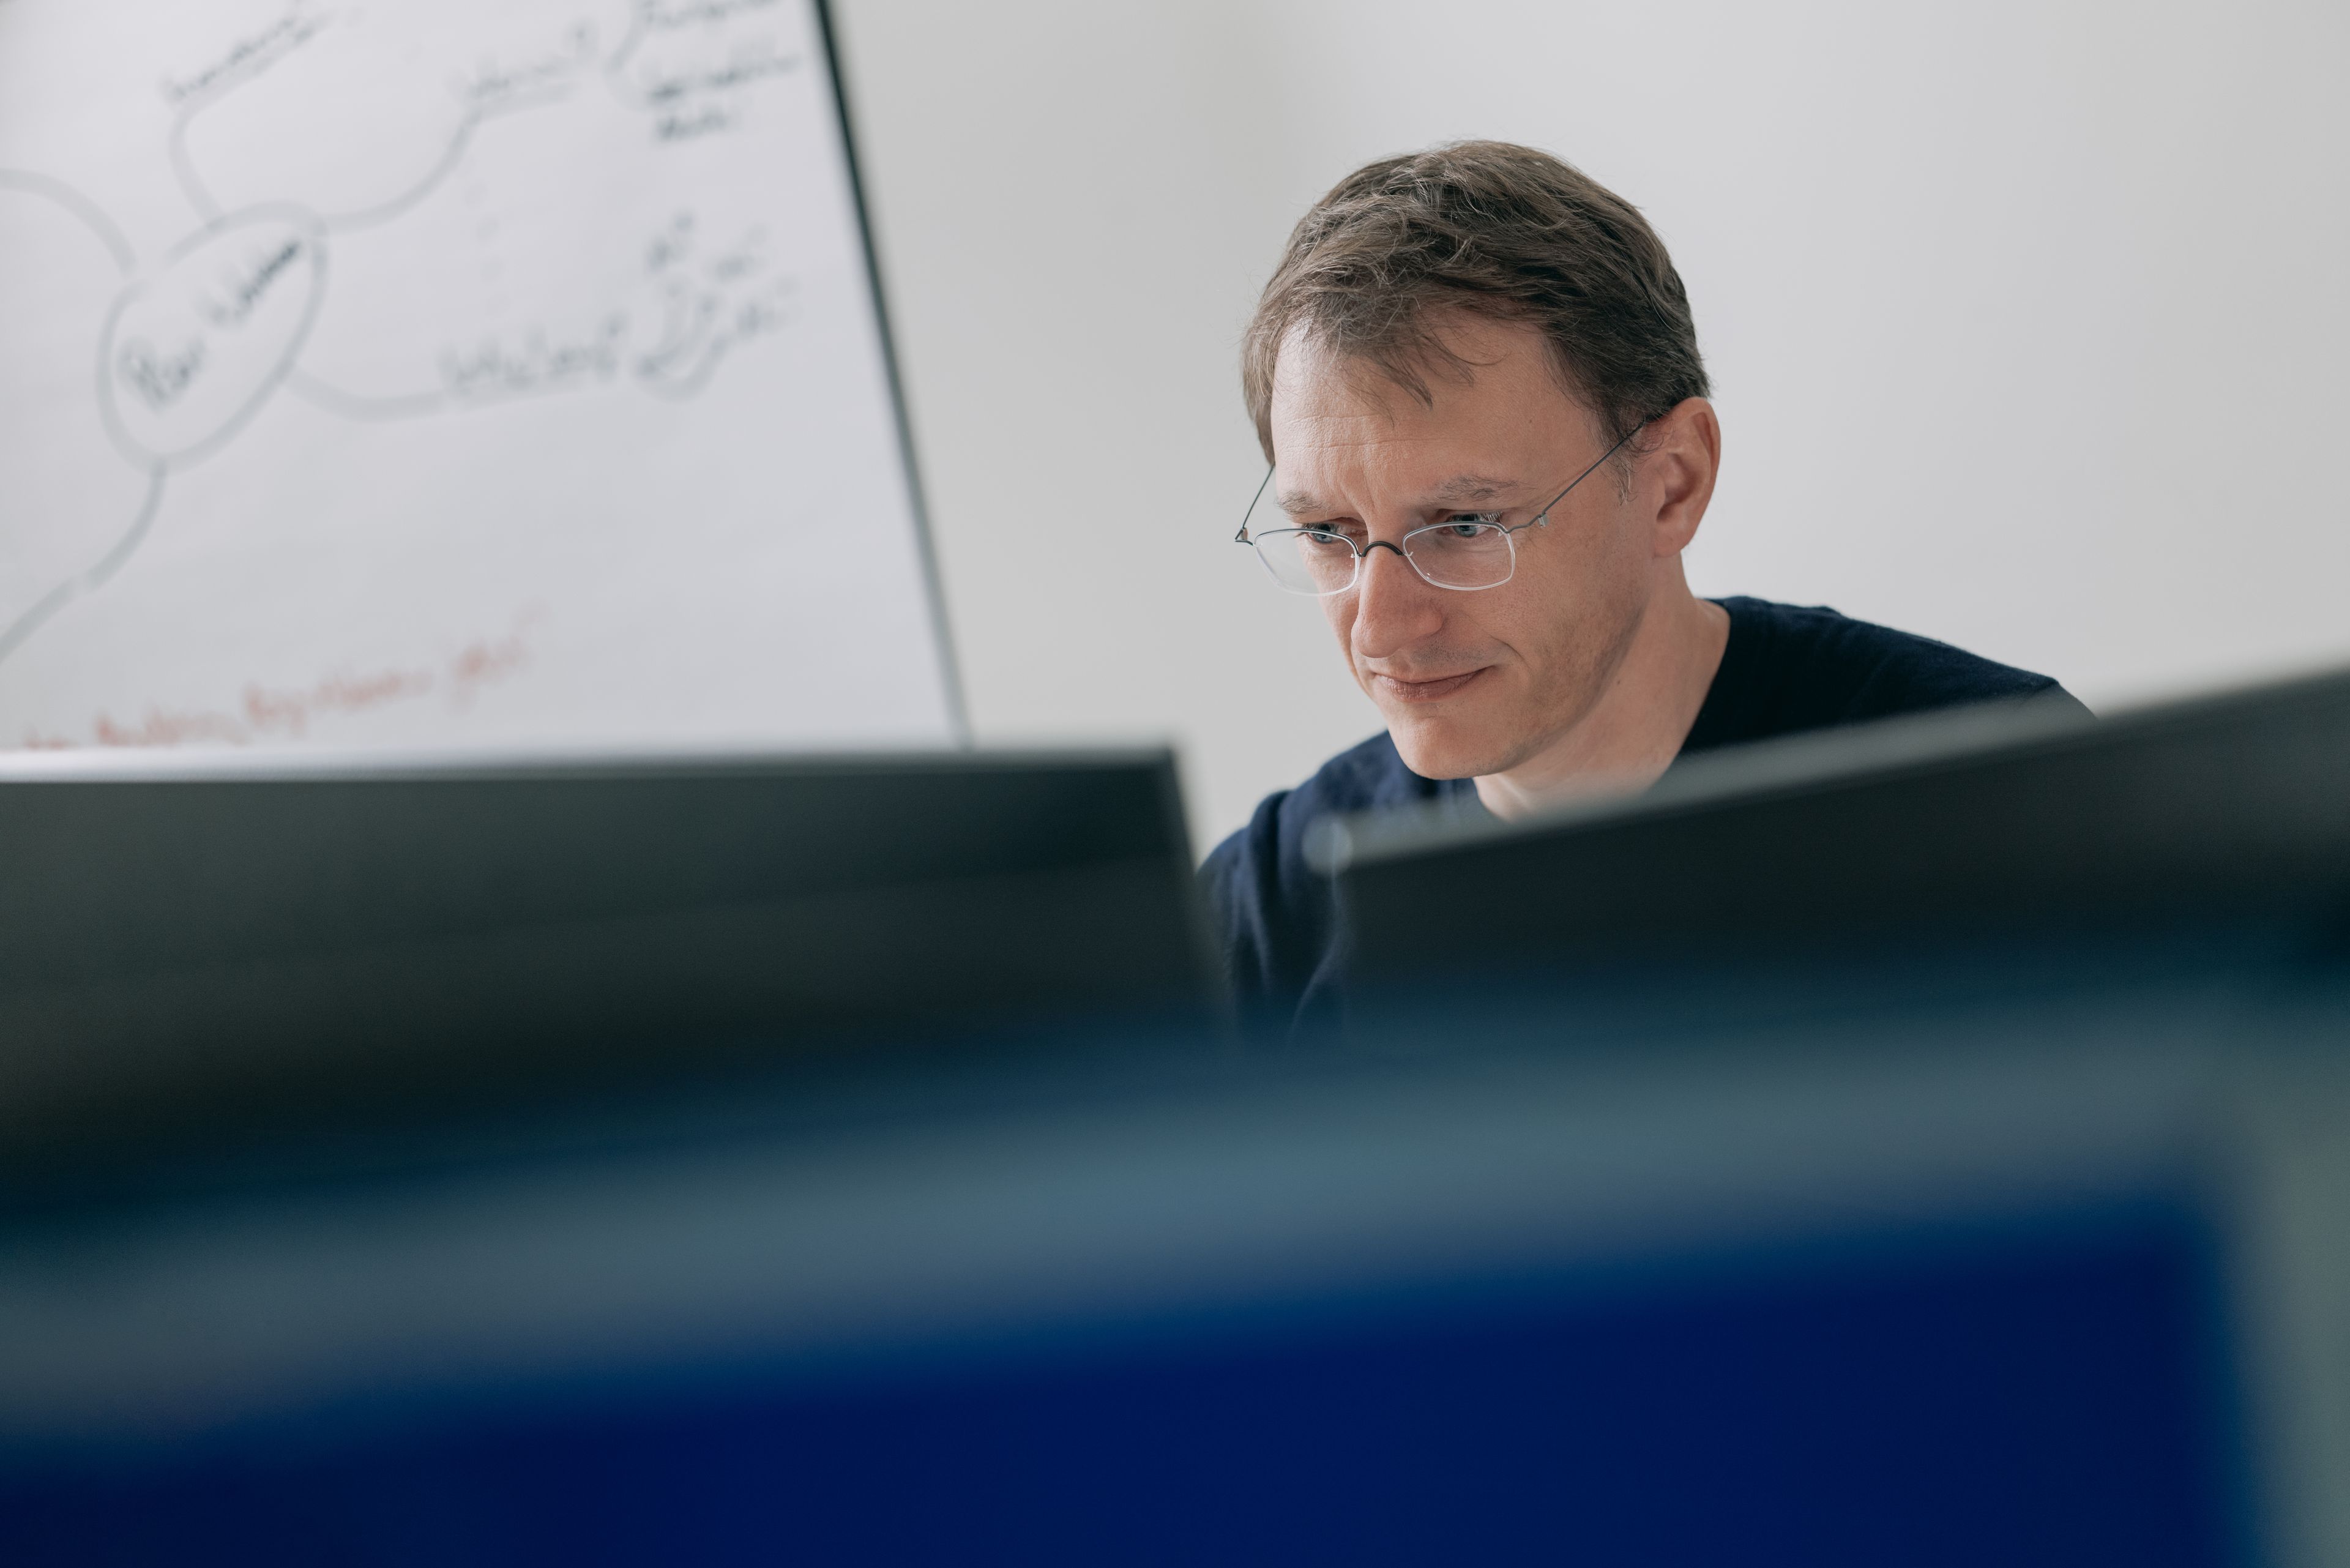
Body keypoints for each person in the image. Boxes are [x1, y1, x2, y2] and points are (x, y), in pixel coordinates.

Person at [1202, 141, 2087, 1031]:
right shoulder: (1266, 914)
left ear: (1673, 485)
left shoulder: (2007, 801)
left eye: (1466, 524)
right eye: (1329, 534)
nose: (1381, 628)